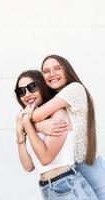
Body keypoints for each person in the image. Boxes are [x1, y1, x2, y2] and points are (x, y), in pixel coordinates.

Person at [30, 54, 105, 200]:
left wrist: (35, 124)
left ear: (67, 71)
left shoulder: (75, 89)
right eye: (46, 71)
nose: (52, 74)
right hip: (70, 168)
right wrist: (39, 126)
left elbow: (35, 115)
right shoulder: (54, 99)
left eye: (57, 68)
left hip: (88, 164)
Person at [15, 70, 98, 200]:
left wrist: (25, 122)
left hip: (66, 186)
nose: (27, 94)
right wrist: (20, 136)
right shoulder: (32, 121)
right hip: (48, 188)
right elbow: (29, 166)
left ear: (42, 86)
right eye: (21, 91)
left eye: (32, 87)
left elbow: (45, 158)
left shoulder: (58, 114)